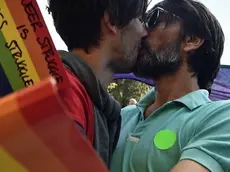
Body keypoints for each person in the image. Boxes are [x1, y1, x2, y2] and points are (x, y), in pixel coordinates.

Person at [110, 0, 230, 171]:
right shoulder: (122, 116)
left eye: (153, 19)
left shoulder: (221, 118)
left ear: (191, 39)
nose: (142, 31)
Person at [47, 0, 147, 167]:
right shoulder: (64, 93)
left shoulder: (79, 94)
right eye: (140, 18)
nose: (144, 32)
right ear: (112, 21)